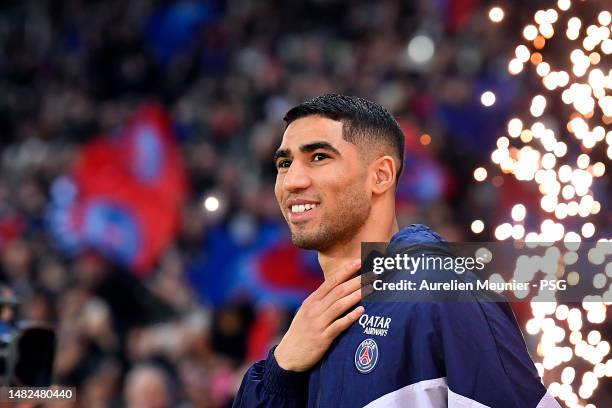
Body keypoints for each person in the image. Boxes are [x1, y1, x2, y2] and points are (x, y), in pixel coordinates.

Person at [233, 94, 559, 407]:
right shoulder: (305, 329)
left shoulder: (439, 292)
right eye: (285, 163)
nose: (292, 180)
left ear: (381, 175)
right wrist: (280, 371)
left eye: (318, 157)